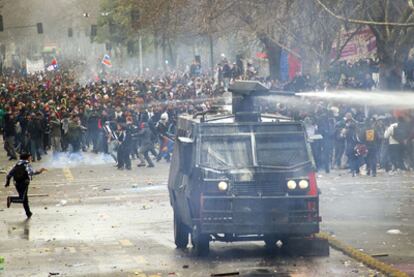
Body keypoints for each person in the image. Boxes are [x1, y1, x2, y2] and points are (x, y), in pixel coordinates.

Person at [5, 153, 47, 218]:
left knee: (24, 198)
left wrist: (7, 182)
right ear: (27, 158)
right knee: (22, 199)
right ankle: (11, 199)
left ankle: (28, 213)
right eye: (30, 157)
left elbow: (10, 174)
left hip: (16, 183)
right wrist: (40, 171)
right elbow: (31, 172)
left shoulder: (17, 164)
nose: (31, 159)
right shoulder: (26, 164)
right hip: (24, 183)